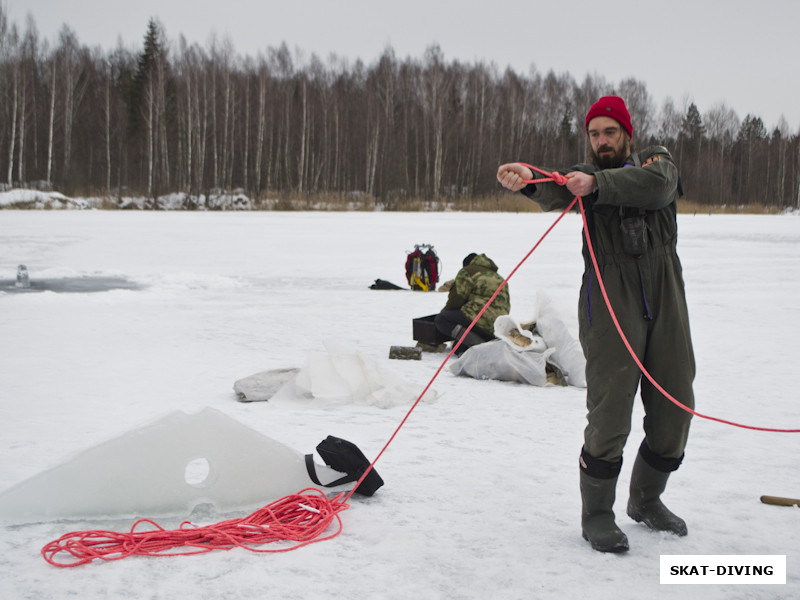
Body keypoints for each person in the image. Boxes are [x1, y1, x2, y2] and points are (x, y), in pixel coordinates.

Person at [496, 96, 695, 553]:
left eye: (609, 132)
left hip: (666, 299)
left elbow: (658, 187)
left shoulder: (654, 160)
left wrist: (598, 184)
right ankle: (597, 515)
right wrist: (529, 180)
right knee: (609, 414)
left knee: (676, 406)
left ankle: (646, 500)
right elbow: (556, 187)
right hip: (609, 302)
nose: (601, 140)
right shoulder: (582, 176)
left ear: (626, 132)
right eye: (594, 134)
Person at [433, 253, 510, 355]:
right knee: (458, 348)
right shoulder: (498, 277)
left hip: (479, 318)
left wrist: (443, 316)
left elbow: (456, 299)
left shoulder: (468, 271)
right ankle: (485, 343)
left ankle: (479, 345)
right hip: (498, 326)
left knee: (441, 319)